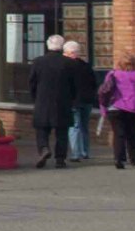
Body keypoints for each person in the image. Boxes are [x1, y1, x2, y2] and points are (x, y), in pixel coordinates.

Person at [29, 33, 77, 169]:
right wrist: (72, 98)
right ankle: (60, 159)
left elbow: (32, 82)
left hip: (43, 100)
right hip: (63, 101)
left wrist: (35, 97)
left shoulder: (38, 62)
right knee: (62, 131)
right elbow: (74, 84)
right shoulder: (69, 63)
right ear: (62, 47)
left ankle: (44, 148)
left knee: (42, 129)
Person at [99, 51, 135, 169]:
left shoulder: (112, 74)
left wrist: (103, 109)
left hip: (114, 107)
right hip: (133, 108)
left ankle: (118, 158)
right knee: (132, 133)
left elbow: (104, 93)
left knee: (118, 134)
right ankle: (133, 159)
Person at [63, 40, 98, 161]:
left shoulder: (66, 67)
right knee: (84, 126)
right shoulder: (86, 66)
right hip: (87, 100)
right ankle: (85, 151)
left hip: (73, 100)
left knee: (74, 126)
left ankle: (75, 153)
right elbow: (94, 83)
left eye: (65, 53)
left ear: (69, 53)